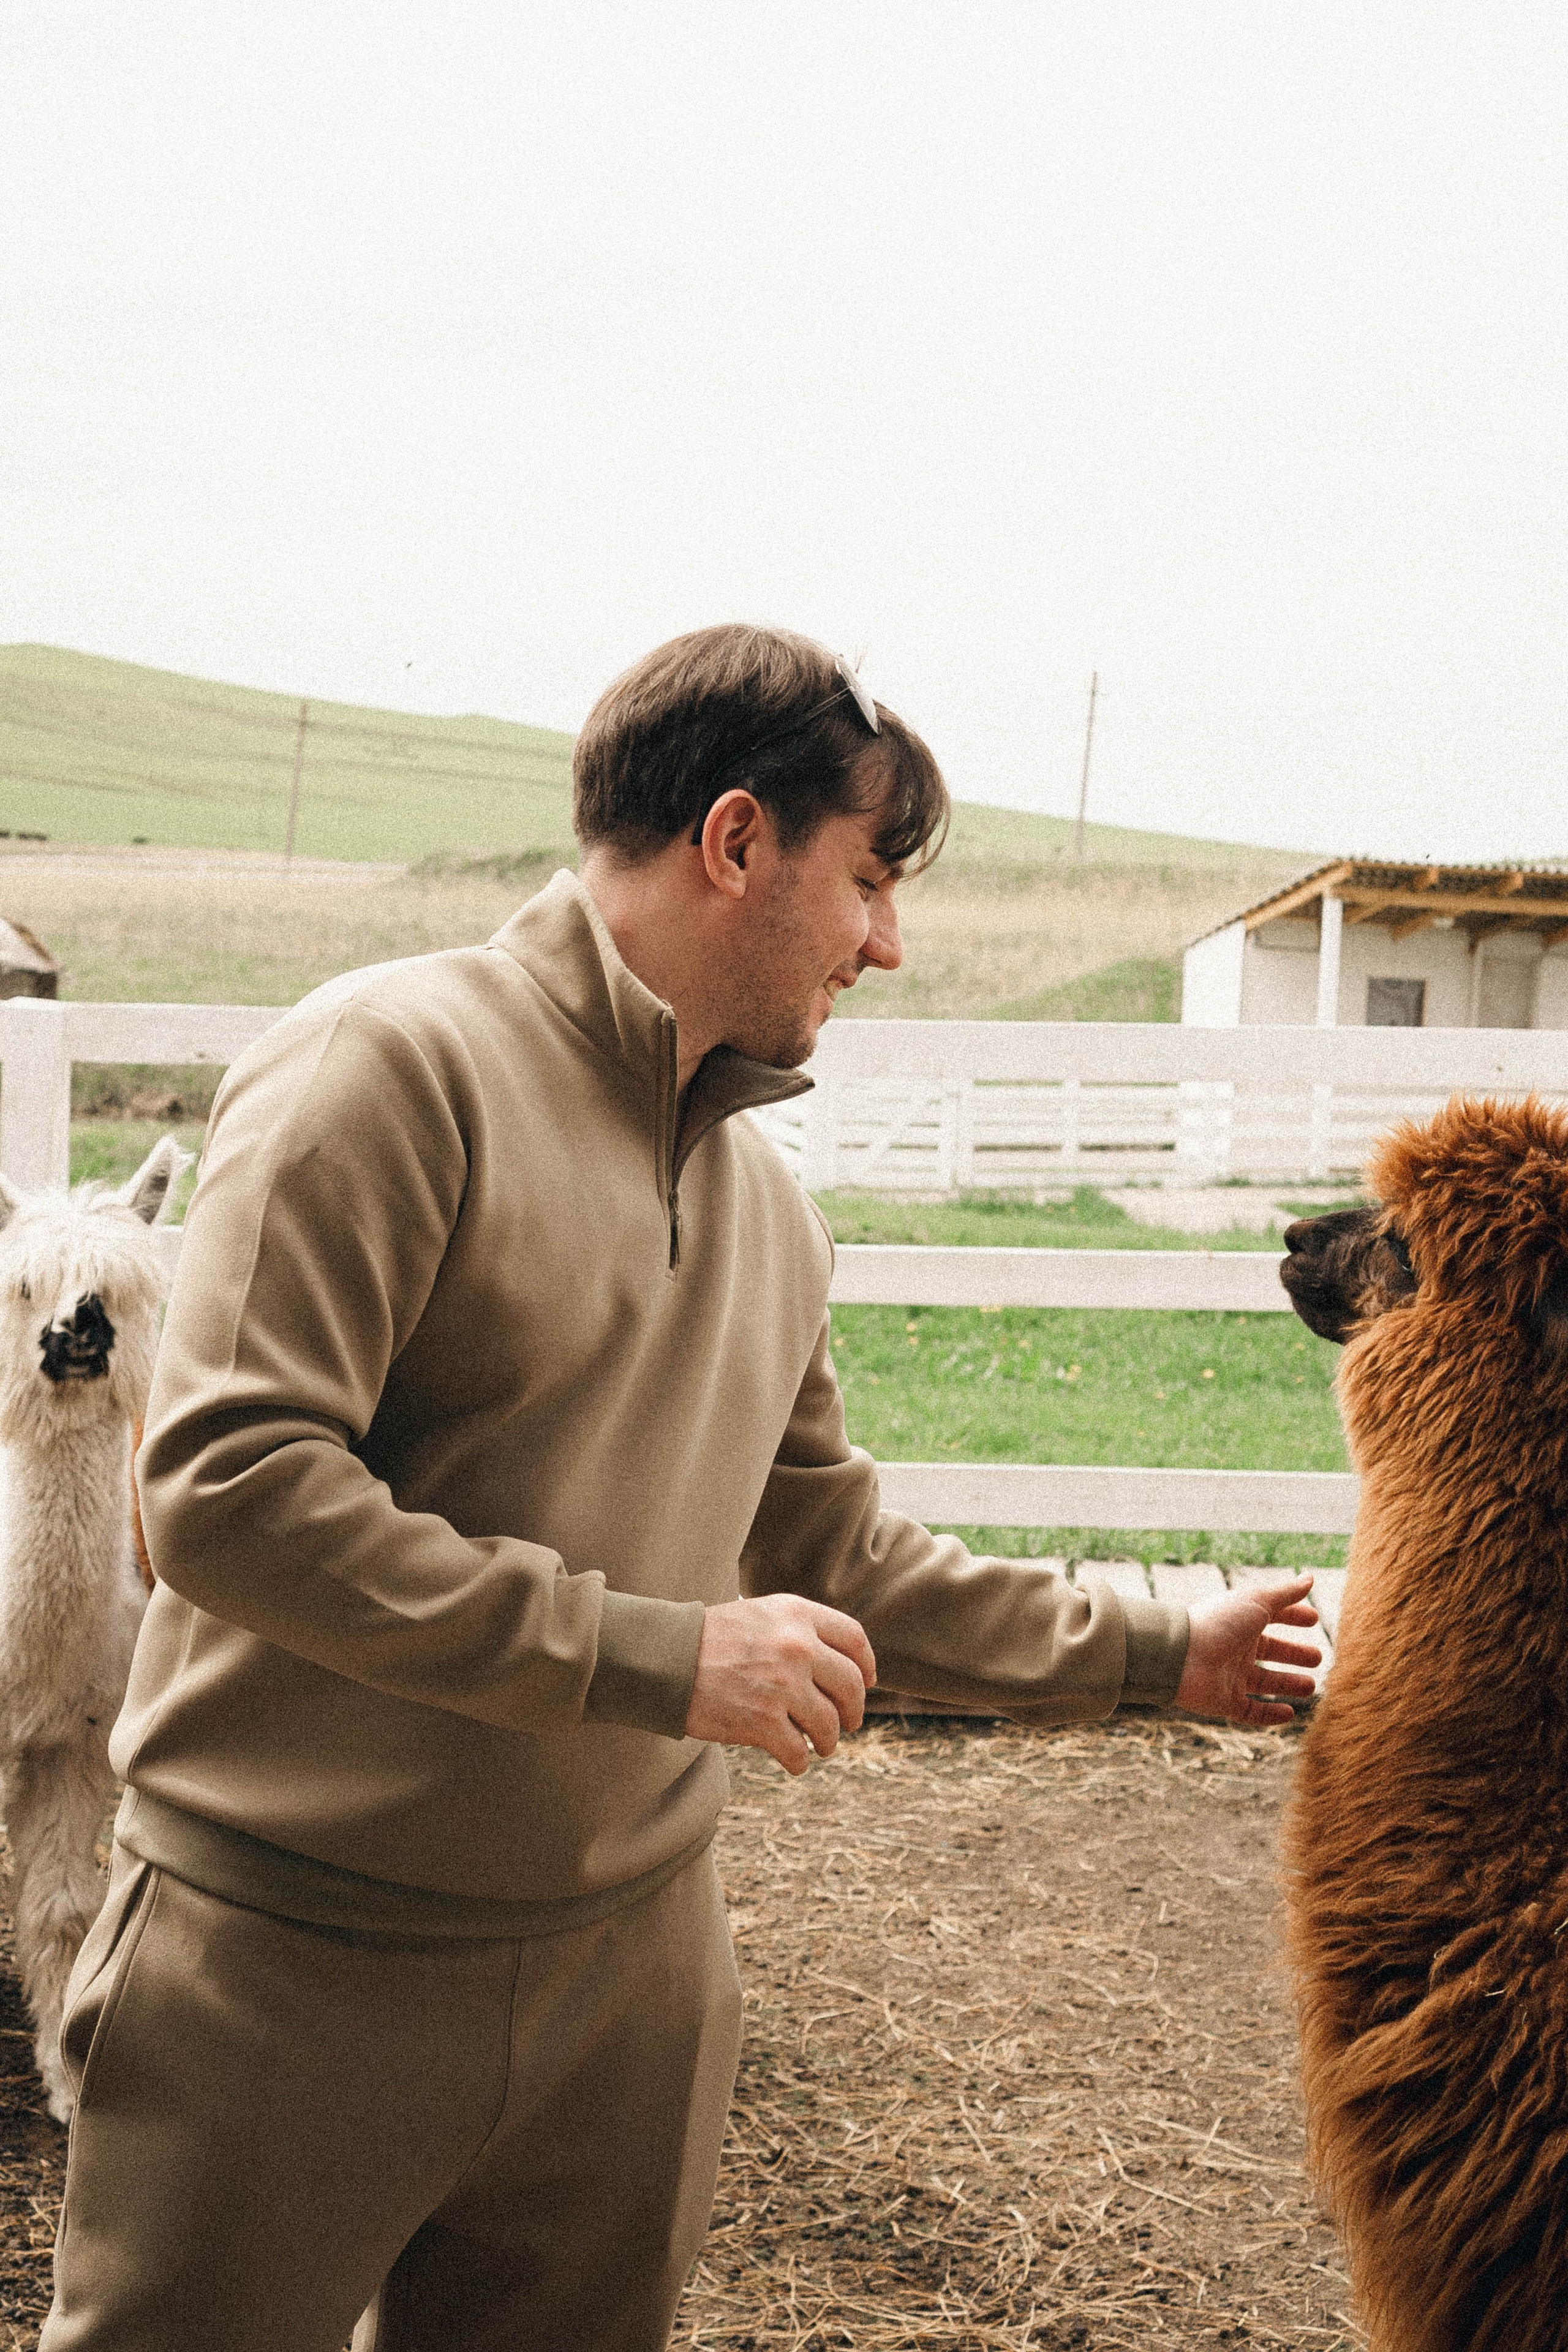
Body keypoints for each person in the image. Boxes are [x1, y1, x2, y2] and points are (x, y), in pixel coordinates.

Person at [40, 625, 1319, 2352]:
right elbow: (227, 1492)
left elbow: (835, 1553)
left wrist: (1167, 1653)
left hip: (631, 1992)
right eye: (869, 880)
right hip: (288, 1962)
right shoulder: (385, 1069)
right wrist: (660, 1655)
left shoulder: (770, 1212)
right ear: (735, 842)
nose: (888, 941)